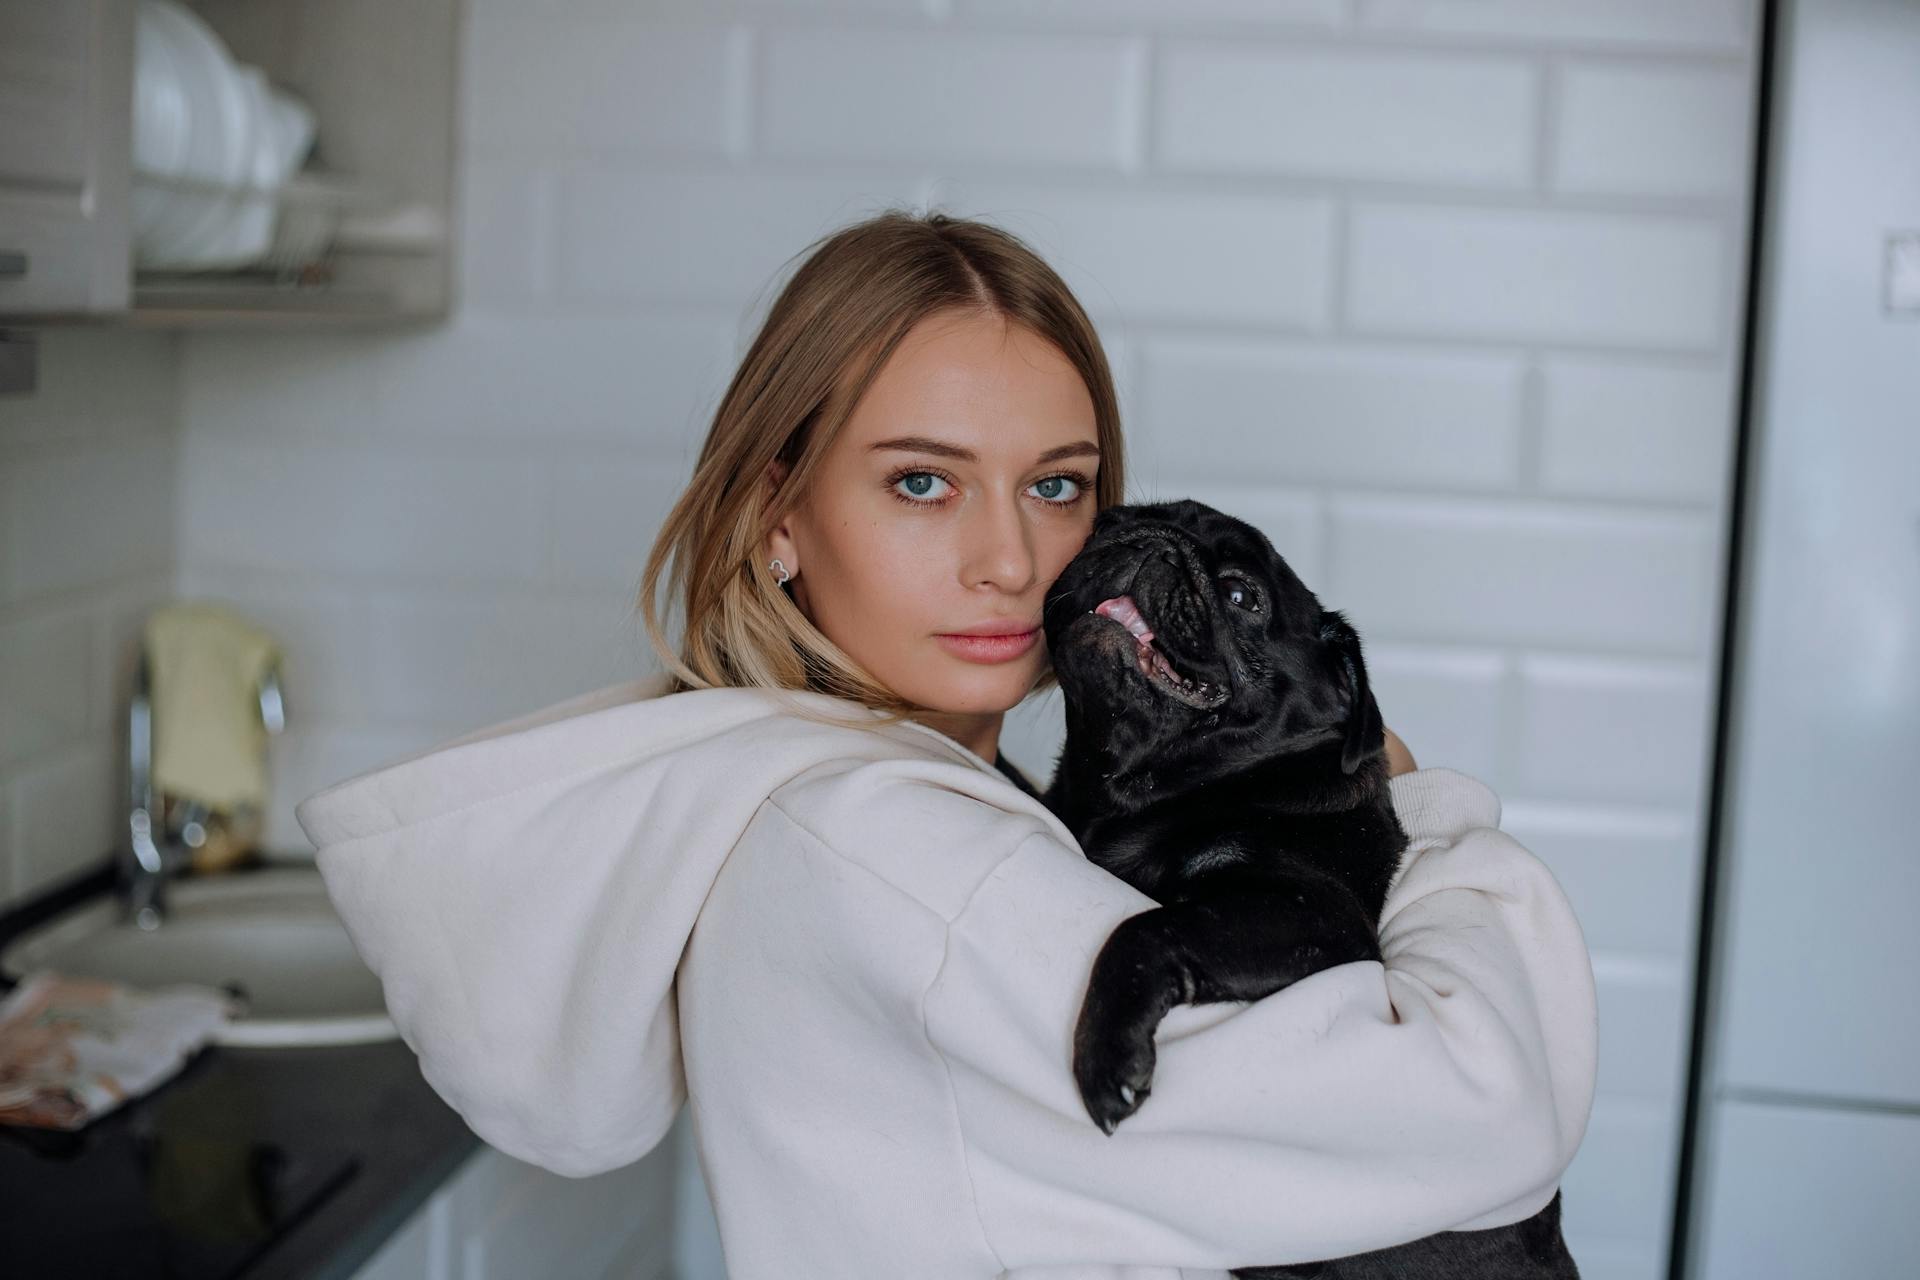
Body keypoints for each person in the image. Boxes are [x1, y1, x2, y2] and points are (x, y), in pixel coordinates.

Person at [295, 210, 1597, 1279]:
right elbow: (1484, 1110)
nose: (1011, 558)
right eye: (922, 481)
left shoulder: (807, 797)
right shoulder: (902, 853)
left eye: (1057, 484)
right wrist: (1429, 820)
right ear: (780, 521)